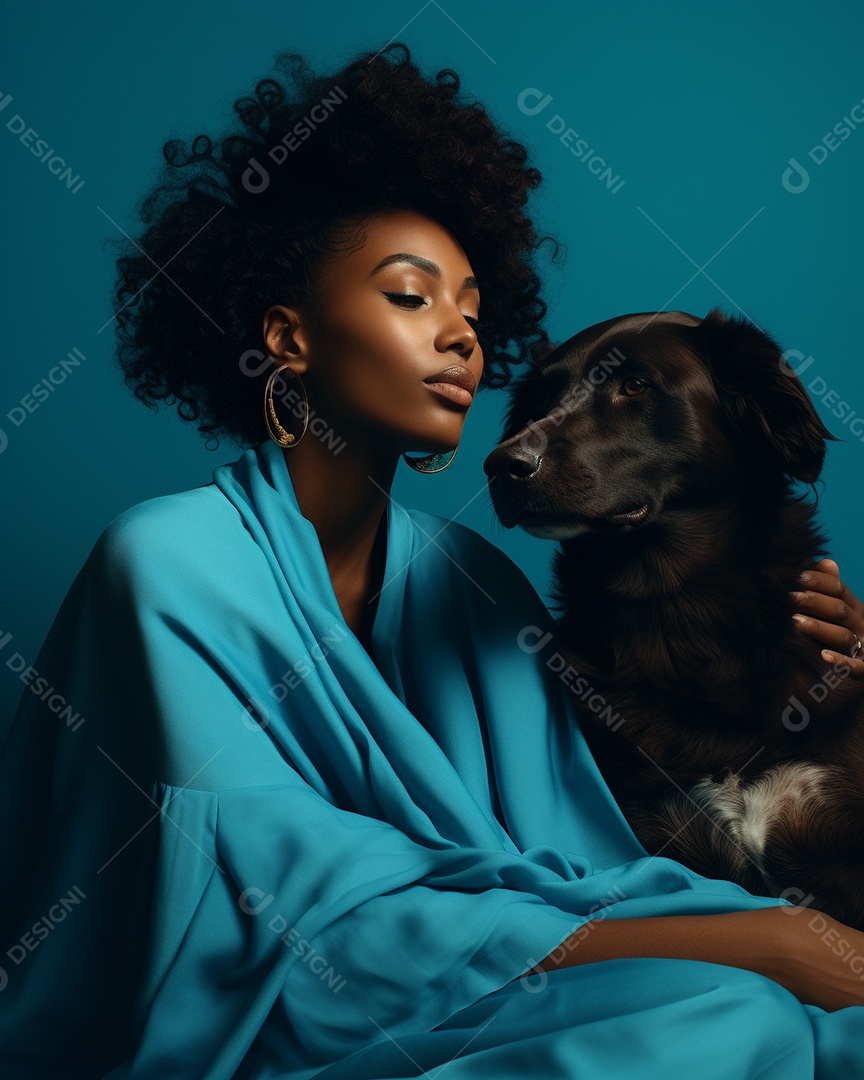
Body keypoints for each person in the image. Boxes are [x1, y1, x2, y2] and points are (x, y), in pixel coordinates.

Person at [1, 42, 863, 1080]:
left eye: (470, 310)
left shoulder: (471, 580)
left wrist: (816, 673)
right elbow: (276, 909)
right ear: (289, 336)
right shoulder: (163, 564)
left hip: (501, 975)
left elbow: (582, 857)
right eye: (412, 298)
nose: (459, 338)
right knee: (731, 1013)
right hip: (273, 998)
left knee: (744, 1019)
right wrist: (758, 941)